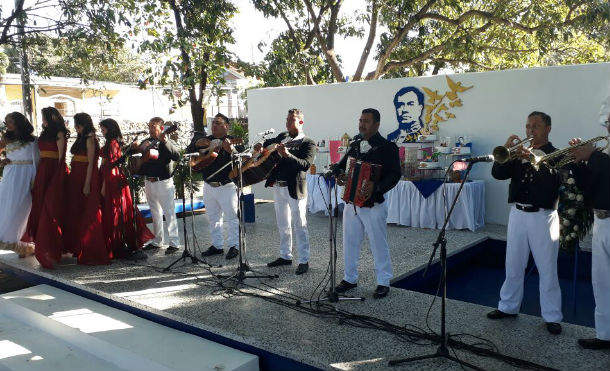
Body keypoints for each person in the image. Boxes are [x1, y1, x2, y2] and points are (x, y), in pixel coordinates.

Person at [488, 111, 563, 335]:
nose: (530, 131)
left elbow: (553, 183)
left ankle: (552, 316)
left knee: (547, 268)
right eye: (528, 126)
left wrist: (533, 159)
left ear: (548, 128)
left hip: (543, 216)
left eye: (536, 126)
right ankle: (508, 307)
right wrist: (506, 152)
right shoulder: (518, 154)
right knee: (513, 263)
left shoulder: (557, 154)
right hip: (518, 214)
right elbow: (498, 174)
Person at [332, 108, 401, 298]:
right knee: (350, 241)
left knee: (378, 242)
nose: (362, 124)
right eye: (360, 120)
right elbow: (340, 166)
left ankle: (383, 281)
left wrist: (376, 187)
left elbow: (395, 175)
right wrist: (339, 175)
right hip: (351, 203)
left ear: (377, 124)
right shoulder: (355, 145)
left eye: (366, 121)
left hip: (374, 204)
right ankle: (349, 278)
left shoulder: (388, 147)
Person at [254, 108, 315, 275]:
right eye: (287, 119)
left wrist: (287, 155)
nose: (288, 123)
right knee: (283, 224)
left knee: (299, 225)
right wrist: (261, 146)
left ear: (301, 122)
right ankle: (285, 255)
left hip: (295, 187)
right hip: (278, 186)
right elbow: (268, 144)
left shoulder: (308, 142)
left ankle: (304, 260)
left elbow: (305, 165)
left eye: (292, 120)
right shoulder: (282, 136)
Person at [569, 113, 610, 350]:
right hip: (602, 221)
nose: (607, 126)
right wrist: (578, 164)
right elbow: (588, 186)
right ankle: (604, 335)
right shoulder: (603, 154)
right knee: (601, 281)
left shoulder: (601, 155)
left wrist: (592, 155)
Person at [189, 114, 244, 260]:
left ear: (226, 126)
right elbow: (189, 154)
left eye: (218, 123)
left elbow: (242, 159)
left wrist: (231, 150)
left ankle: (234, 246)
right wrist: (196, 144)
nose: (214, 126)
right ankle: (217, 245)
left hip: (226, 186)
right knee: (213, 218)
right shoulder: (206, 140)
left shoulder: (233, 141)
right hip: (208, 185)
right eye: (213, 123)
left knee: (232, 218)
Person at [99, 118, 154, 261]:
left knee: (115, 211)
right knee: (121, 210)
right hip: (115, 176)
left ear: (109, 129)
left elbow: (109, 164)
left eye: (103, 129)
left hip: (111, 177)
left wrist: (103, 183)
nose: (102, 132)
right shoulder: (115, 142)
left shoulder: (111, 144)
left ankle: (118, 243)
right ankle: (123, 242)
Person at [22, 107, 69, 269]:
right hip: (42, 171)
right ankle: (43, 243)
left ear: (50, 118)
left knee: (51, 209)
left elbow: (61, 157)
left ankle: (53, 245)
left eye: (43, 118)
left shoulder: (60, 133)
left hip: (54, 172)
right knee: (39, 207)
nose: (42, 121)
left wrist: (58, 177)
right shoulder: (44, 134)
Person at [64, 113, 109, 265]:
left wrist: (87, 184)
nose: (76, 128)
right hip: (76, 176)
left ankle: (90, 248)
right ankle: (78, 246)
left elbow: (91, 164)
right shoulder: (82, 137)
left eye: (78, 125)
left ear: (83, 124)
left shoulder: (90, 139)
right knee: (76, 211)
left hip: (85, 176)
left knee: (88, 212)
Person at [132, 117, 181, 254]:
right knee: (155, 212)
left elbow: (177, 155)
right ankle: (158, 240)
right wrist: (135, 147)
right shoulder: (147, 141)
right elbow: (135, 154)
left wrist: (165, 142)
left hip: (163, 182)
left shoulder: (167, 141)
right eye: (149, 126)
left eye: (154, 126)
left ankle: (174, 242)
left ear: (162, 128)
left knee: (169, 212)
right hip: (149, 181)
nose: (151, 129)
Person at [0, 112, 39, 257]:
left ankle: (23, 244)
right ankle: (14, 243)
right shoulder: (6, 138)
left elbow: (38, 159)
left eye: (9, 121)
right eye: (6, 121)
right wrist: (1, 161)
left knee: (21, 208)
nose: (7, 124)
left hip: (27, 175)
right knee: (6, 206)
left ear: (18, 122)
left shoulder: (34, 140)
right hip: (11, 175)